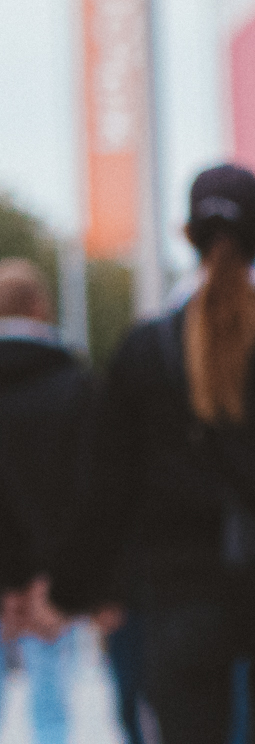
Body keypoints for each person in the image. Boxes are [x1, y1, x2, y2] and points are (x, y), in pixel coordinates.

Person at [51, 164, 255, 744]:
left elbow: (107, 485)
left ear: (186, 235)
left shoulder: (143, 353)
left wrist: (83, 590)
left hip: (179, 593)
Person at [0, 258, 92, 744]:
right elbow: (84, 484)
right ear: (40, 306)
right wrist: (49, 575)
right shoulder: (73, 383)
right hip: (51, 575)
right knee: (52, 707)